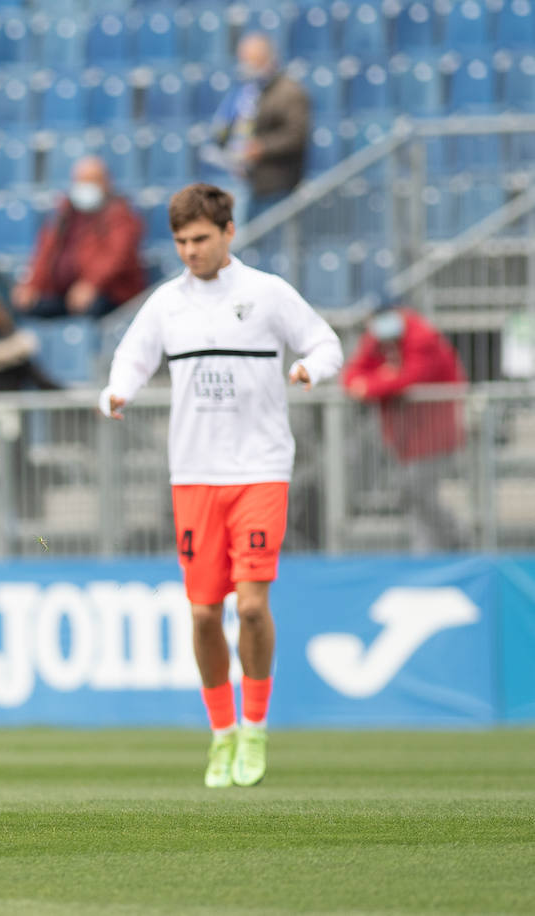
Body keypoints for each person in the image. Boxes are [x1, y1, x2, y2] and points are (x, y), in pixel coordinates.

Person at [96, 183, 342, 789]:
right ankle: (222, 733)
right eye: (180, 241)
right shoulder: (167, 303)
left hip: (259, 469)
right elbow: (133, 356)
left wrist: (312, 367)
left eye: (201, 238)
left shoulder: (266, 294)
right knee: (204, 613)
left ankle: (255, 728)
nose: (190, 251)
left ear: (229, 232)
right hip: (195, 476)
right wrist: (118, 389)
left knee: (252, 605)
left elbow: (326, 341)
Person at [342, 302, 468, 552]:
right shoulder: (380, 336)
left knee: (414, 490)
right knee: (412, 495)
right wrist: (384, 376)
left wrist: (372, 384)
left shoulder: (422, 336)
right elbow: (351, 374)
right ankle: (436, 547)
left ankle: (452, 540)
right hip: (405, 437)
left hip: (435, 435)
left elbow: (410, 378)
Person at [11, 156, 146, 320]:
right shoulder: (65, 214)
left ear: (106, 182)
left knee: (92, 308)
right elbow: (46, 253)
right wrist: (32, 285)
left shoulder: (120, 215)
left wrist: (91, 284)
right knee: (27, 306)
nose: (85, 187)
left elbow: (116, 257)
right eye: (81, 181)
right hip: (65, 294)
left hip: (109, 294)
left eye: (92, 181)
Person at [209, 33, 311, 223]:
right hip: (250, 182)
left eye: (250, 59)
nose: (245, 65)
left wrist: (261, 147)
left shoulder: (290, 91)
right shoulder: (246, 91)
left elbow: (297, 135)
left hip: (278, 185)